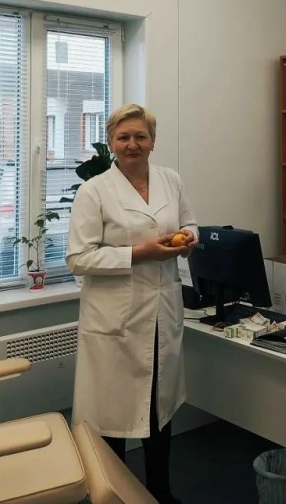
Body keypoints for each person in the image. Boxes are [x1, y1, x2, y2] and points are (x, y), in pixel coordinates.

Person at [66, 103, 198, 504]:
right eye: (123, 137)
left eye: (141, 136)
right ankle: (113, 496)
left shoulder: (171, 181)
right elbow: (78, 258)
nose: (132, 144)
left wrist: (188, 238)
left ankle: (160, 491)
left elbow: (189, 223)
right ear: (111, 142)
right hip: (115, 321)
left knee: (159, 411)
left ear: (153, 141)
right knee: (112, 416)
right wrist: (139, 253)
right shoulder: (94, 191)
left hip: (161, 314)